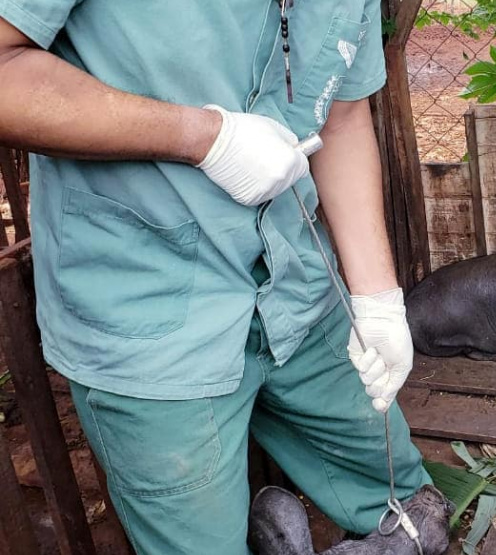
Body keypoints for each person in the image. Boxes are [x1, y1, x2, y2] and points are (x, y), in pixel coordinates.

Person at [0, 1, 434, 553]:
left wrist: (378, 301)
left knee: (405, 495)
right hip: (147, 309)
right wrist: (203, 136)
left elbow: (342, 116)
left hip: (298, 287)